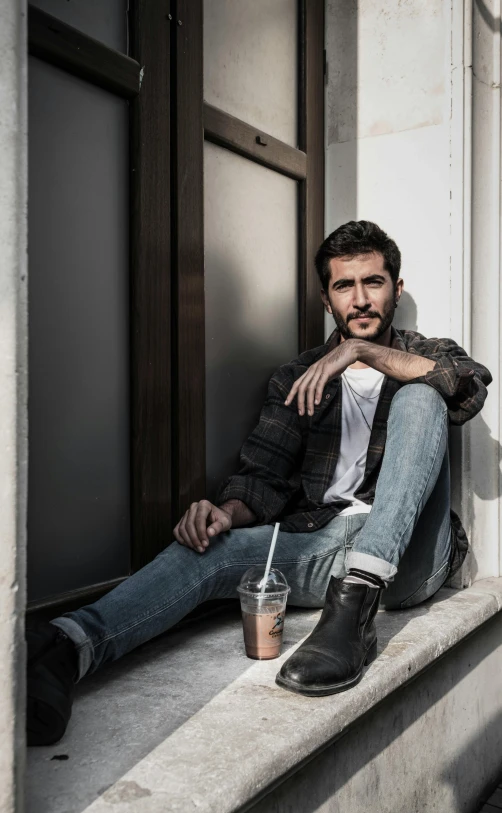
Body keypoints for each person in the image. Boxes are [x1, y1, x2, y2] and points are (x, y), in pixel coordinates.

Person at [27, 221, 492, 744]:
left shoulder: (428, 349)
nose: (360, 300)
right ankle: (64, 648)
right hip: (326, 544)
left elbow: (466, 387)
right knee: (211, 548)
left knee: (422, 391)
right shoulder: (295, 377)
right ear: (326, 299)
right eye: (344, 286)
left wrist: (361, 354)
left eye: (374, 282)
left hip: (410, 555)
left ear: (396, 289)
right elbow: (263, 478)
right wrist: (225, 513)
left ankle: (357, 607)